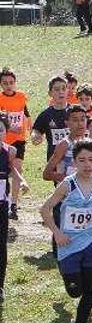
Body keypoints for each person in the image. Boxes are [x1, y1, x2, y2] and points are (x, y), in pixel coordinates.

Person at [40, 139, 92, 323]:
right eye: (81, 160)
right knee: (75, 291)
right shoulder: (68, 184)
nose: (87, 164)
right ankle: (68, 275)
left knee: (90, 289)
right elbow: (45, 209)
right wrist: (56, 233)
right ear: (74, 161)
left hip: (90, 244)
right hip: (67, 245)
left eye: (91, 159)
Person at [0, 114, 29, 303]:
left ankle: (0, 286)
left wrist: (22, 181)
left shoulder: (9, 150)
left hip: (1, 204)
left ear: (6, 131)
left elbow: (13, 170)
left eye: (1, 129)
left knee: (1, 244)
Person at [0, 68, 30, 221]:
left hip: (19, 140)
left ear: (15, 82)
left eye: (11, 82)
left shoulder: (21, 96)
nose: (8, 86)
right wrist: (11, 127)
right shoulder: (0, 99)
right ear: (1, 85)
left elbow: (25, 112)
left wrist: (29, 126)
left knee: (17, 169)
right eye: (5, 83)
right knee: (4, 172)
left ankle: (13, 205)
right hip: (3, 141)